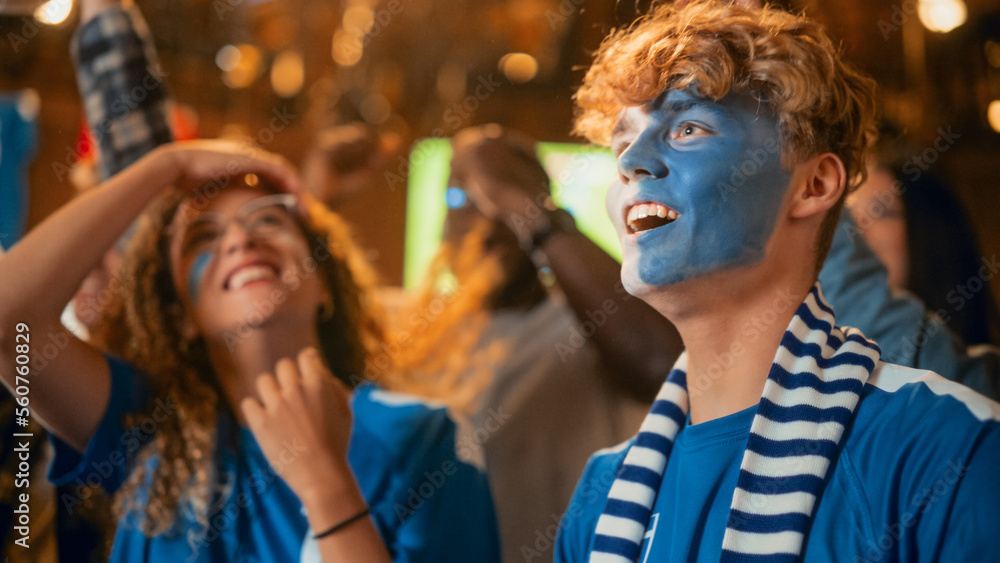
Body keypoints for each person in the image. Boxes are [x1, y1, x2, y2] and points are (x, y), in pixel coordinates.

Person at [556, 2, 1000, 562]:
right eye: (621, 143)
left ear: (813, 184)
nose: (633, 161)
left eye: (688, 128)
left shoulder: (946, 449)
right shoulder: (599, 499)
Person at [0, 142, 500, 562]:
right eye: (203, 238)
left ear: (324, 280)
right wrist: (168, 165)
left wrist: (326, 485)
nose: (240, 238)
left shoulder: (422, 438)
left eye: (268, 220)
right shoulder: (151, 427)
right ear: (181, 317)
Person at [382, 125, 681, 563]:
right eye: (461, 200)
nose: (486, 223)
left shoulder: (587, 327)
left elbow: (662, 363)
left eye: (500, 201)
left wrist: (526, 211)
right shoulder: (408, 327)